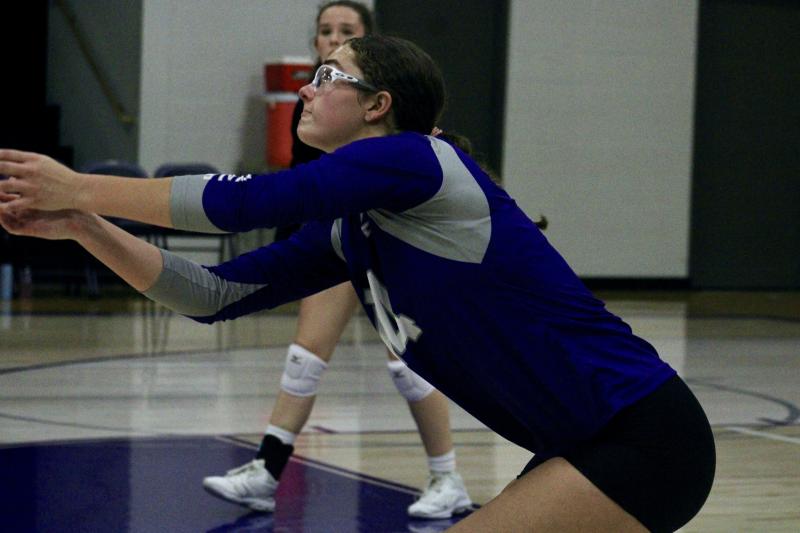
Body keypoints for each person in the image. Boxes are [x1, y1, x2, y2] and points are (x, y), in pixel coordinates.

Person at [0, 34, 715, 532]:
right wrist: (84, 224)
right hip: (580, 444)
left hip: (642, 435)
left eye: (328, 75)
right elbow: (211, 295)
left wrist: (79, 185)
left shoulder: (419, 159)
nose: (305, 89)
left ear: (377, 105)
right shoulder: (352, 227)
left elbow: (246, 204)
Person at [202, 1, 471, 518]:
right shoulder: (312, 104)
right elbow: (303, 185)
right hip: (336, 239)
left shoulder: (393, 113)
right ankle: (266, 471)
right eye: (325, 31)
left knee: (406, 362)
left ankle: (447, 476)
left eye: (346, 30)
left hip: (388, 239)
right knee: (305, 356)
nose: (332, 38)